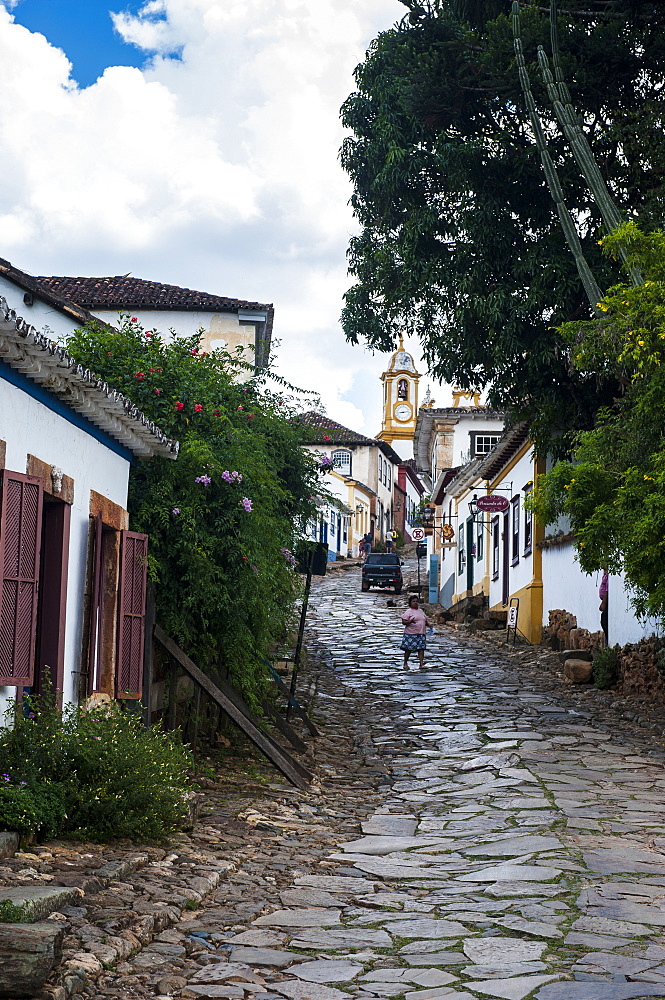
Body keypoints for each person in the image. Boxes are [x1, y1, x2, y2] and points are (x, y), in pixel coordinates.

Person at [401, 595, 430, 670]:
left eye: (416, 601)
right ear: (410, 603)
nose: (415, 603)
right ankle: (405, 663)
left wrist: (430, 626)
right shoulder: (408, 612)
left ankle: (421, 664)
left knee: (421, 649)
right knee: (408, 649)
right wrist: (410, 621)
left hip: (421, 633)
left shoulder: (421, 611)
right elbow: (404, 622)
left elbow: (425, 620)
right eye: (413, 601)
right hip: (411, 634)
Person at [599, 569, 609, 645]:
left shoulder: (608, 576)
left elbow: (606, 590)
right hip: (605, 601)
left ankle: (608, 638)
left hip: (607, 602)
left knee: (604, 621)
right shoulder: (605, 575)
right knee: (603, 621)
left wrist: (603, 603)